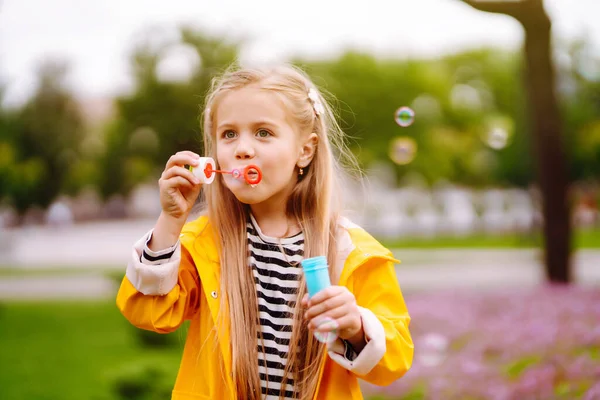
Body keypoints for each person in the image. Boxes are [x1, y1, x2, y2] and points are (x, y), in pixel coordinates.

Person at [116, 64, 413, 400]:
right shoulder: (205, 242)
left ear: (305, 150)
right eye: (229, 134)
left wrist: (356, 327)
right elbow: (149, 313)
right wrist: (171, 220)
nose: (242, 149)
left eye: (263, 133)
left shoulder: (351, 251)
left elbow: (395, 359)